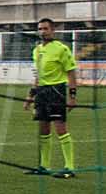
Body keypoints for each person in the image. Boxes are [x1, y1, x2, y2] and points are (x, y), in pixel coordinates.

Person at [28, 18, 78, 178]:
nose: (43, 32)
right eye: (40, 29)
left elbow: (71, 72)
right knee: (43, 129)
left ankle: (69, 167)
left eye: (45, 29)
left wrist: (72, 96)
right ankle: (44, 166)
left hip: (57, 90)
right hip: (42, 92)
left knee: (60, 128)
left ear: (53, 30)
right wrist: (30, 96)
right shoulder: (36, 50)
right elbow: (38, 75)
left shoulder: (61, 49)